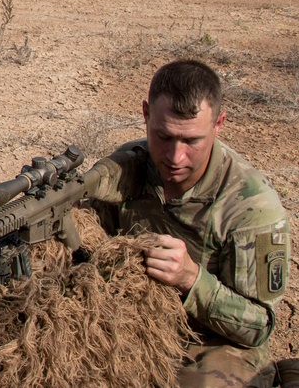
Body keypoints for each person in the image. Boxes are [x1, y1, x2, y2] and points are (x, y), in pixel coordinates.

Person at [88, 59, 289, 387]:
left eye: (192, 141)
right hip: (134, 323)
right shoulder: (126, 168)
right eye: (163, 136)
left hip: (215, 342)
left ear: (219, 124)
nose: (175, 157)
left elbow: (257, 326)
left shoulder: (251, 207)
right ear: (145, 114)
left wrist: (192, 279)